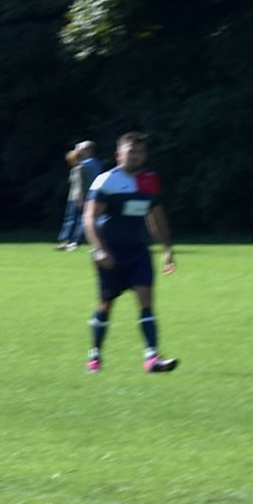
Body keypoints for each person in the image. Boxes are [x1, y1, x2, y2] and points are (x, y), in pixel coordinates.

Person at [83, 130, 177, 373]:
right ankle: (95, 356)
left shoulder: (149, 180)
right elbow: (89, 218)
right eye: (130, 151)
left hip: (138, 252)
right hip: (110, 252)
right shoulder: (106, 181)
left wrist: (167, 248)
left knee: (146, 300)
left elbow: (156, 217)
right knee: (106, 304)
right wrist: (99, 249)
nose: (135, 156)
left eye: (140, 152)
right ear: (118, 154)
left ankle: (152, 358)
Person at [56, 140, 101, 249]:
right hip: (87, 195)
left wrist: (81, 197)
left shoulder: (85, 165)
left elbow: (81, 183)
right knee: (77, 219)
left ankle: (71, 242)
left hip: (82, 196)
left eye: (80, 148)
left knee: (75, 219)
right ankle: (70, 241)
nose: (76, 151)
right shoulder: (96, 163)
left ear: (88, 151)